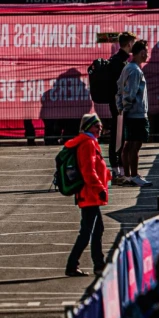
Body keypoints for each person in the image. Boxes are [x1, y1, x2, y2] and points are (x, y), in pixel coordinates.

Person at [63, 113, 110, 277]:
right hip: (90, 195)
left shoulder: (90, 142)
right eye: (97, 125)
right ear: (88, 126)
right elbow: (88, 171)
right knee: (87, 232)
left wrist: (107, 176)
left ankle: (99, 264)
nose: (100, 128)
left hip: (91, 194)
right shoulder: (88, 143)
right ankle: (72, 265)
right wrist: (99, 189)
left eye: (100, 125)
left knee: (97, 230)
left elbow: (95, 167)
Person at [114, 39, 150, 186]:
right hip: (137, 114)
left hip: (129, 113)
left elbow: (119, 88)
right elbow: (131, 93)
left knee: (127, 146)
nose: (147, 55)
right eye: (146, 52)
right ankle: (134, 176)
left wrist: (121, 108)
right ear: (141, 53)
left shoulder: (127, 68)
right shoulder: (135, 70)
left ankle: (128, 176)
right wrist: (126, 106)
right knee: (135, 146)